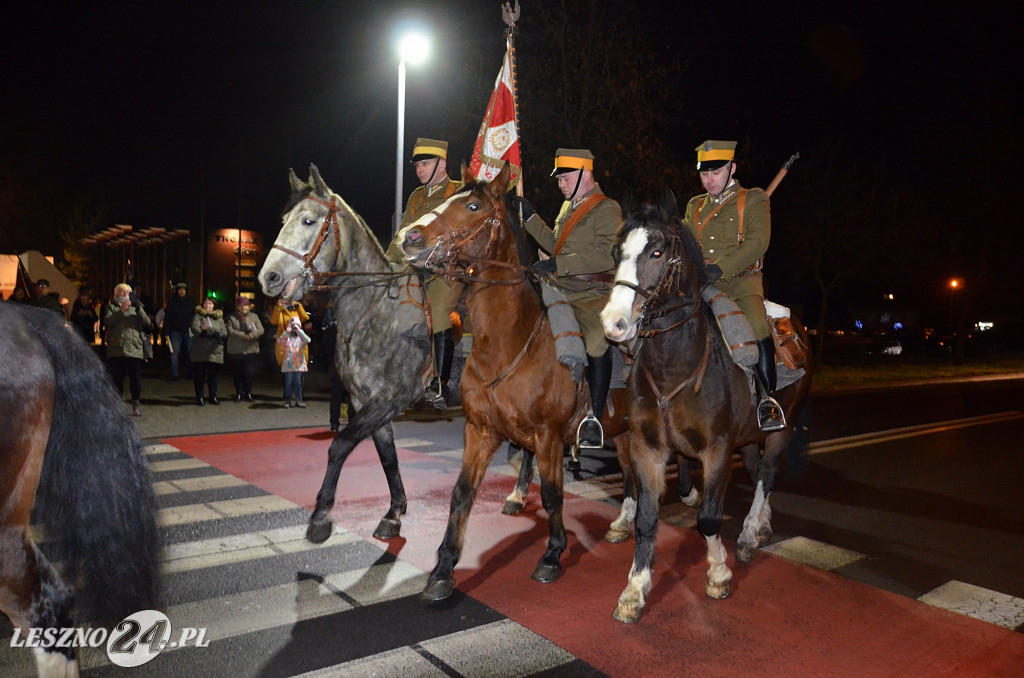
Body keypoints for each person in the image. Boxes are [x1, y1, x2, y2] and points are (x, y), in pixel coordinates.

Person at [518, 148, 621, 448]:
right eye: (559, 178)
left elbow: (607, 255)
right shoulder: (568, 208)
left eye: (566, 177)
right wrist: (531, 218)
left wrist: (558, 263)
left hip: (593, 293)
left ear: (585, 174)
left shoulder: (606, 209)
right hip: (562, 288)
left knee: (595, 339)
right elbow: (557, 244)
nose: (561, 184)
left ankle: (594, 417)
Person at [682, 139, 784, 432]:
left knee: (756, 323)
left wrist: (721, 268)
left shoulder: (753, 200)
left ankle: (768, 399)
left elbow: (758, 242)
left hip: (740, 282)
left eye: (716, 172)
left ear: (732, 168)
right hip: (700, 283)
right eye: (704, 174)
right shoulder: (695, 206)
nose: (709, 179)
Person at [385, 137, 464, 409]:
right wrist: (387, 265)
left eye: (426, 163)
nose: (420, 169)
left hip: (447, 270)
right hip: (415, 268)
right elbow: (403, 234)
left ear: (442, 164)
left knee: (440, 310)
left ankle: (439, 383)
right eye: (417, 164)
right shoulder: (416, 197)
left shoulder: (457, 192)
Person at [103, 283, 151, 416]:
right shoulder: (111, 307)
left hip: (134, 347)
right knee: (117, 378)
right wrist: (121, 312)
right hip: (117, 348)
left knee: (135, 378)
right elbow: (108, 322)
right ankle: (118, 405)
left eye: (125, 292)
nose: (122, 294)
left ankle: (136, 402)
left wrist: (138, 308)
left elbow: (147, 322)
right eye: (119, 291)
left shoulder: (137, 306)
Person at [226, 295, 264, 402]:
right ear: (237, 307)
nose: (244, 308)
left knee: (248, 373)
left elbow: (261, 329)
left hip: (250, 349)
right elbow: (230, 329)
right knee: (237, 373)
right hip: (236, 349)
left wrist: (251, 336)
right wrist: (242, 335)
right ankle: (239, 393)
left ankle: (248, 393)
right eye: (241, 306)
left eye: (246, 306)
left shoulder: (254, 317)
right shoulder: (232, 317)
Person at [190, 297, 227, 405]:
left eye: (210, 304)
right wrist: (203, 332)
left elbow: (224, 330)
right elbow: (194, 327)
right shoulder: (198, 315)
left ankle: (213, 396)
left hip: (215, 349)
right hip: (201, 349)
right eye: (205, 304)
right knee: (199, 375)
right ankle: (200, 397)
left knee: (213, 376)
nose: (207, 306)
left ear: (214, 305)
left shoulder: (218, 317)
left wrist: (220, 334)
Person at [319, 305, 348, 432]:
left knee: (344, 393)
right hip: (341, 362)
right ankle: (335, 423)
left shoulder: (336, 327)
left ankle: (337, 423)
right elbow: (327, 344)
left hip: (343, 362)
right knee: (340, 393)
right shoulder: (335, 328)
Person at [165, 282, 196, 380]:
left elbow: (196, 316)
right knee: (174, 353)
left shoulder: (191, 302)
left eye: (183, 289)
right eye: (180, 289)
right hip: (175, 331)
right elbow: (167, 318)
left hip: (188, 330)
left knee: (190, 352)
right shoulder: (172, 302)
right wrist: (166, 332)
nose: (181, 291)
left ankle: (191, 373)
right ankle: (174, 374)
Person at [277, 316, 310, 408]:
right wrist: (286, 332)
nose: (294, 328)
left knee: (298, 382)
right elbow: (280, 341)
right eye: (292, 326)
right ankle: (287, 399)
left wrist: (299, 331)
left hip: (298, 365)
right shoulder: (287, 338)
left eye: (296, 326)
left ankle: (299, 399)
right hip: (288, 364)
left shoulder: (301, 338)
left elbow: (308, 340)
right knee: (288, 382)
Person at [270, 297, 310, 372]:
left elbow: (305, 317)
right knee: (286, 371)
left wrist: (298, 306)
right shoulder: (281, 310)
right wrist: (278, 307)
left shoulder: (296, 309)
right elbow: (273, 321)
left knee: (299, 371)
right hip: (285, 342)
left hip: (297, 341)